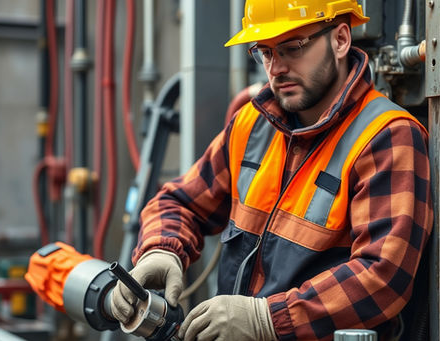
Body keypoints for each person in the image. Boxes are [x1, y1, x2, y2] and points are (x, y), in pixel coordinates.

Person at [111, 0, 433, 340]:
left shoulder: (387, 137)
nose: (276, 68)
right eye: (265, 52)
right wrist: (162, 250)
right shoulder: (252, 125)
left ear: (340, 39)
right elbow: (179, 201)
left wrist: (267, 319)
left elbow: (382, 277)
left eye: (292, 48)